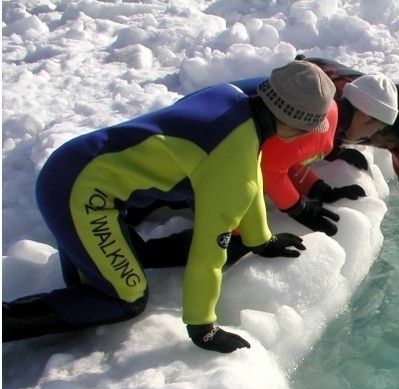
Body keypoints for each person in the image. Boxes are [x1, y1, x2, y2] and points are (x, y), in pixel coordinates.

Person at [2, 61, 336, 353]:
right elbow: (209, 253)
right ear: (294, 125)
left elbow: (252, 170)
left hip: (70, 165)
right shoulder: (231, 166)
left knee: (87, 291)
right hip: (81, 196)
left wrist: (262, 240)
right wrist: (202, 326)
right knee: (126, 297)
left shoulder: (231, 98)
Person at [235, 56, 399, 240]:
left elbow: (285, 158)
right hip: (296, 86)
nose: (377, 143)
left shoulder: (385, 119)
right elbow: (269, 166)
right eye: (379, 134)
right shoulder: (327, 103)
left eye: (387, 144)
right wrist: (299, 209)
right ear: (370, 117)